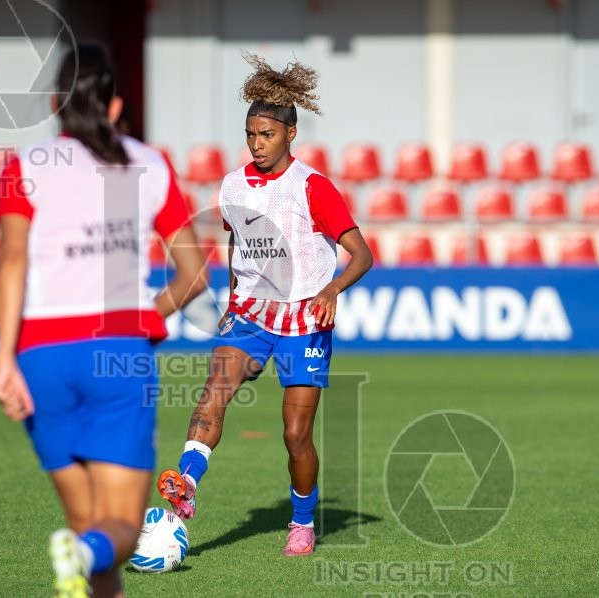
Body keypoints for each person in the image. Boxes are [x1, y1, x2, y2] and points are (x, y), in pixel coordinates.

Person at [0, 44, 206, 597]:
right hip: (116, 352)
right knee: (120, 533)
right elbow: (195, 274)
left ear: (57, 102)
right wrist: (146, 317)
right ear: (114, 106)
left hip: (41, 356)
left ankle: (80, 552)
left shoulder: (25, 165)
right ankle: (79, 551)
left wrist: (4, 360)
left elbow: (11, 261)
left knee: (92, 537)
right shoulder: (149, 164)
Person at [157, 53, 373, 557]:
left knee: (296, 434)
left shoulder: (312, 188)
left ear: (290, 135)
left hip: (304, 321)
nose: (256, 144)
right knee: (215, 389)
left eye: (266, 135)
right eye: (250, 134)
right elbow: (239, 246)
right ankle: (186, 483)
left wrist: (330, 291)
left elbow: (361, 255)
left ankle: (301, 521)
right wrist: (234, 299)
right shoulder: (234, 185)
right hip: (252, 314)